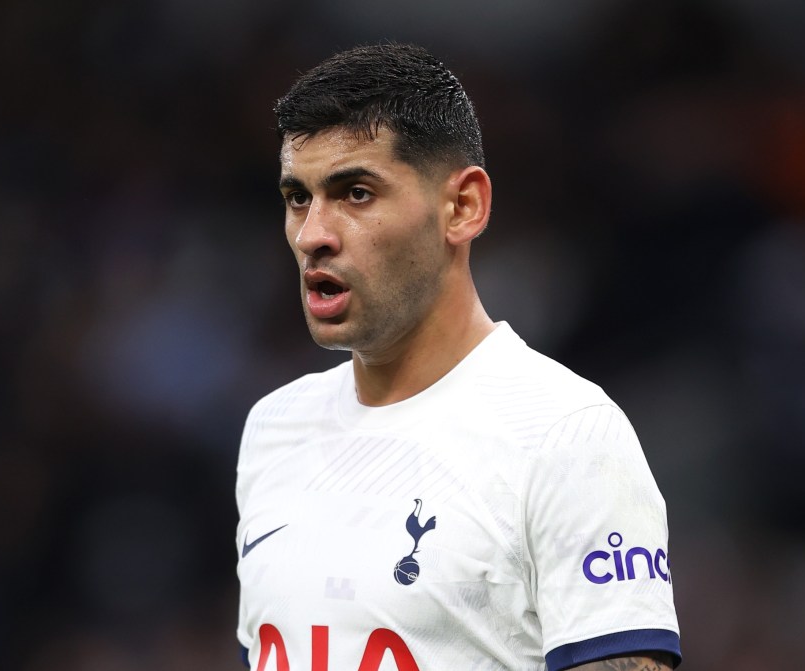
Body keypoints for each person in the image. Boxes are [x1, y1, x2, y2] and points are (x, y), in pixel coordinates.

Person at [235, 43, 681, 671]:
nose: (313, 235)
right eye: (298, 198)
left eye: (356, 193)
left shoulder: (565, 435)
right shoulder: (274, 429)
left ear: (463, 207)